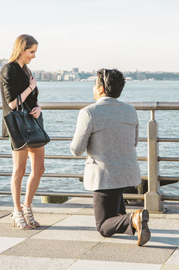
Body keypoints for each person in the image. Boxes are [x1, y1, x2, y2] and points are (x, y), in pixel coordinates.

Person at [70, 69, 151, 246]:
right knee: (116, 216)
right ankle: (135, 223)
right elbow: (134, 142)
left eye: (94, 84)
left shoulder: (89, 112)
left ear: (100, 89)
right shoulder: (130, 110)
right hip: (128, 173)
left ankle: (134, 218)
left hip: (104, 177)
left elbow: (76, 150)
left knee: (103, 227)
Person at [0, 34, 45, 229]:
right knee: (19, 170)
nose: (34, 56)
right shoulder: (8, 70)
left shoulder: (26, 70)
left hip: (33, 122)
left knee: (39, 168)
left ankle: (27, 206)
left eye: (35, 52)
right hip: (17, 125)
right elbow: (12, 103)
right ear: (21, 50)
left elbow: (32, 98)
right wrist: (30, 86)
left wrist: (39, 108)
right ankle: (17, 211)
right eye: (31, 51)